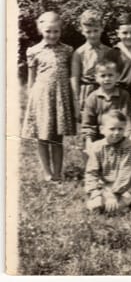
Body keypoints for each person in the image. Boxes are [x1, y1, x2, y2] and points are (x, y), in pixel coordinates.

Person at [22, 11, 76, 181]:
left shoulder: (67, 50)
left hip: (60, 97)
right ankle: (47, 172)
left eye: (56, 31)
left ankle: (58, 173)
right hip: (42, 97)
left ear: (61, 31)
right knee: (42, 136)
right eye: (48, 31)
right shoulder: (33, 51)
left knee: (57, 138)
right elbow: (31, 80)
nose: (52, 35)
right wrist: (31, 101)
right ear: (40, 30)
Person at [84, 110, 131, 213]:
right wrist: (95, 192)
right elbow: (91, 172)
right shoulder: (97, 147)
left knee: (128, 196)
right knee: (96, 204)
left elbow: (126, 172)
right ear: (102, 130)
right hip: (102, 186)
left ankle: (116, 207)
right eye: (112, 129)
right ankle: (103, 204)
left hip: (123, 187)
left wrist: (114, 194)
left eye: (120, 129)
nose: (116, 133)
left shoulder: (129, 146)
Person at [81, 58, 131, 150]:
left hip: (120, 137)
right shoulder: (92, 98)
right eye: (103, 76)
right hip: (99, 140)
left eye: (110, 75)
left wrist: (127, 139)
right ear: (96, 78)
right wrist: (89, 141)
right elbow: (88, 125)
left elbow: (128, 120)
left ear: (117, 76)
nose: (107, 79)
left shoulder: (124, 95)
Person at [71, 9, 111, 121]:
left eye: (95, 30)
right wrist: (76, 101)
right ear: (82, 31)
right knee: (88, 124)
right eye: (88, 31)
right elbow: (75, 78)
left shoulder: (109, 51)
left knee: (106, 122)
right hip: (86, 91)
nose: (92, 35)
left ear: (102, 29)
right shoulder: (79, 53)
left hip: (105, 89)